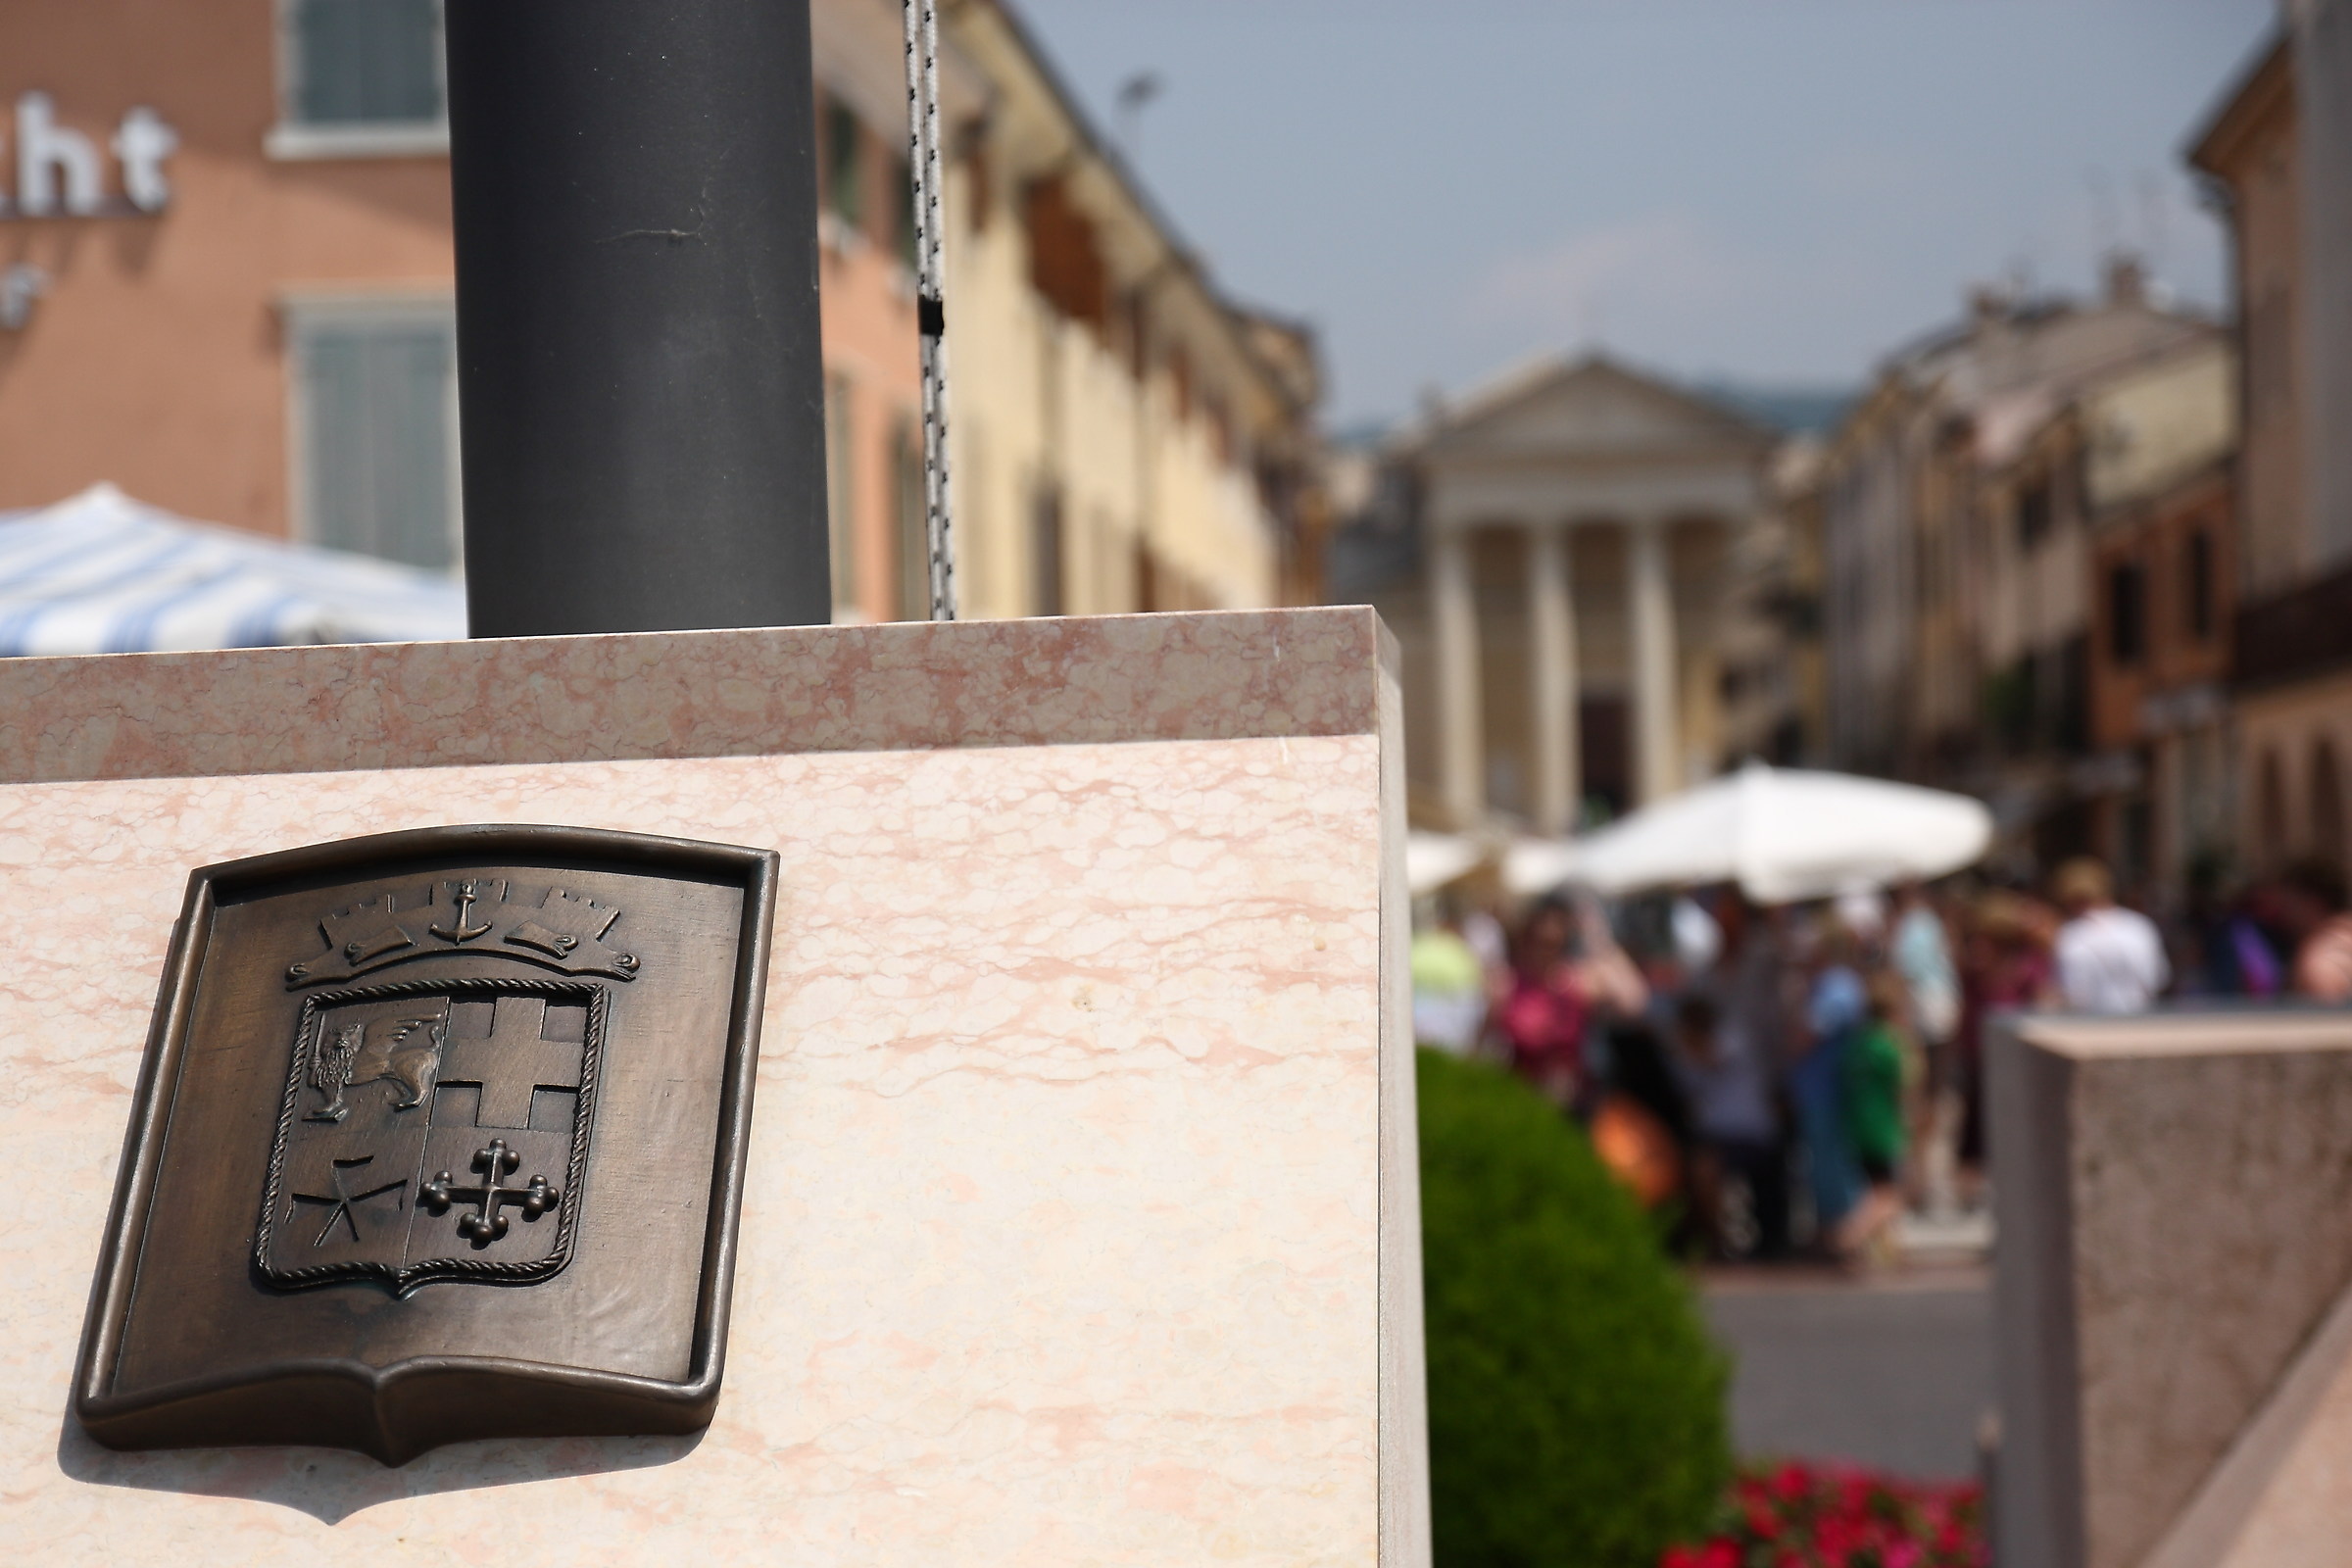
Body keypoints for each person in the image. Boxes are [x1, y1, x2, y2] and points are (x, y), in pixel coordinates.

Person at [1495, 896, 1647, 1109]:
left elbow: (1634, 1002)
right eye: (1538, 941)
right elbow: (1483, 1045)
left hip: (1576, 1103)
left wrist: (1597, 937)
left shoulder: (1577, 981)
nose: (1545, 951)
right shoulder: (1507, 984)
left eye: (1554, 943)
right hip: (1524, 1102)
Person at [1671, 992, 1781, 1259]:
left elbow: (1710, 1058)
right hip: (1714, 1134)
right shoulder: (1685, 1052)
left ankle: (1718, 1241)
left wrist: (1672, 1042)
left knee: (1704, 1168)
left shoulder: (1733, 1034)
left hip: (1750, 1135)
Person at [1838, 972, 1913, 1262]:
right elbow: (1902, 1090)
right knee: (1890, 1193)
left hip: (1857, 1125)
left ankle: (1888, 1252)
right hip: (1883, 1126)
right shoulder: (1887, 1047)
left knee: (1872, 1185)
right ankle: (1851, 1232)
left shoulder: (1856, 1045)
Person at [2051, 857, 2170, 1014]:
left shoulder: (2072, 934)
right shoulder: (2139, 925)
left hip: (2092, 1026)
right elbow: (2158, 979)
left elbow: (2074, 991)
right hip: (2141, 1021)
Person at [1409, 902, 1488, 1056]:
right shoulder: (1462, 950)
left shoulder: (1418, 945)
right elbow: (1475, 996)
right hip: (1453, 1032)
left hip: (1418, 1031)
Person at [2273, 858, 2352, 1003]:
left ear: (2314, 902)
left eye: (2289, 905)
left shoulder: (2320, 960)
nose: (2282, 915)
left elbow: (2327, 1022)